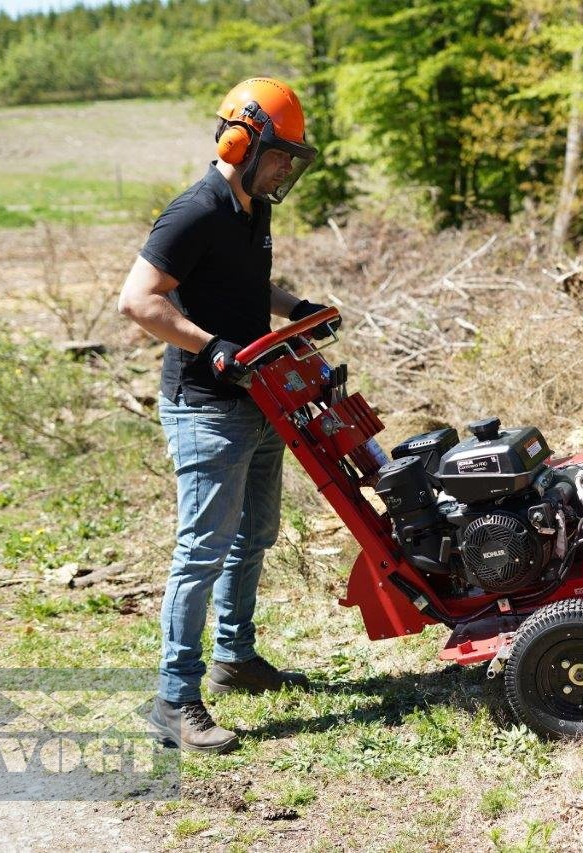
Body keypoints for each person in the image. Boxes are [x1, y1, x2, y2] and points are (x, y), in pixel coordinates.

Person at [118, 77, 338, 753]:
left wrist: (295, 308)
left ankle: (235, 657)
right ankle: (174, 699)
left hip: (258, 397)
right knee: (202, 552)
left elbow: (245, 283)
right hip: (206, 407)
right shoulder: (195, 212)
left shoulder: (251, 208)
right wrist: (211, 346)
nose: (285, 171)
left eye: (292, 160)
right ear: (242, 143)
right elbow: (138, 300)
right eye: (280, 156)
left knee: (255, 535)